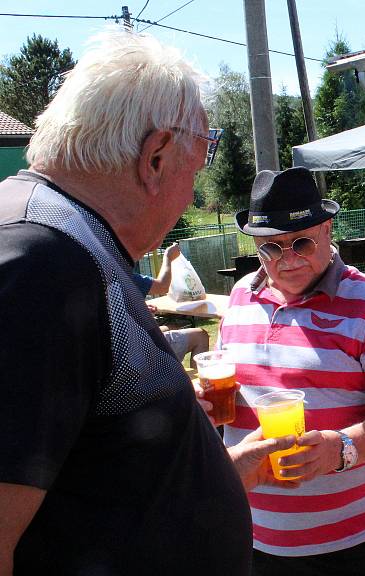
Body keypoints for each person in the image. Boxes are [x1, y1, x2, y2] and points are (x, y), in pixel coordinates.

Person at [0, 29, 296, 575]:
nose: (195, 186)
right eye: (202, 154)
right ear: (156, 156)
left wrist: (211, 469)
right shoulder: (42, 258)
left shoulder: (67, 239)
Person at [218, 167, 365, 575]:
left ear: (327, 230)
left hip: (361, 545)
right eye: (271, 248)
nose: (287, 259)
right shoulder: (241, 295)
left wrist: (342, 450)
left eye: (300, 242)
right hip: (259, 542)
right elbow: (233, 391)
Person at [132, 242, 210, 368]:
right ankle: (197, 383)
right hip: (140, 347)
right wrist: (168, 257)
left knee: (171, 327)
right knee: (201, 335)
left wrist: (140, 309)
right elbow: (162, 286)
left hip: (127, 344)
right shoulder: (124, 275)